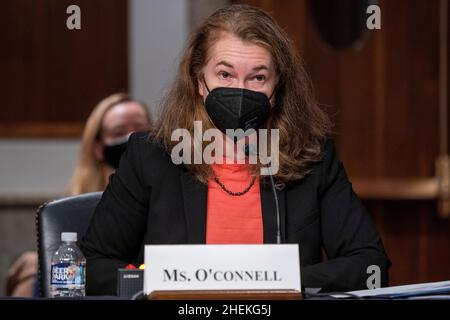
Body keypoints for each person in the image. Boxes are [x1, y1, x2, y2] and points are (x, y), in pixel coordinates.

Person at [81, 4, 390, 295]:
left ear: (277, 87)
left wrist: (282, 284)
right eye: (225, 75)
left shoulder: (313, 158)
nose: (241, 91)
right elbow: (92, 266)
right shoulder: (151, 156)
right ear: (199, 80)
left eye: (257, 77)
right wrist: (166, 284)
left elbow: (370, 265)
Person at [67, 93, 153, 195]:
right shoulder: (79, 207)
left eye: (140, 129)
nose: (132, 137)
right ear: (97, 148)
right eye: (119, 133)